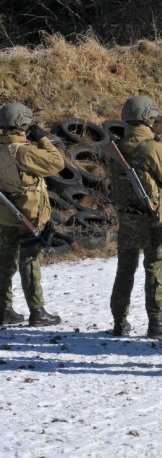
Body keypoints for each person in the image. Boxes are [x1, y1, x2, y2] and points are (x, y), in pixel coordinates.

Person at [108, 96, 162, 338]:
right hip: (152, 217)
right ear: (150, 117)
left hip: (127, 216)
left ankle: (119, 320)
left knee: (125, 269)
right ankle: (156, 321)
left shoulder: (116, 147)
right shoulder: (152, 148)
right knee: (154, 268)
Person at [0, 102, 64, 327]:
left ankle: (4, 310)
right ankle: (37, 311)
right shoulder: (24, 151)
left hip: (6, 215)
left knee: (4, 263)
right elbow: (57, 163)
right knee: (29, 262)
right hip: (30, 215)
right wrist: (43, 139)